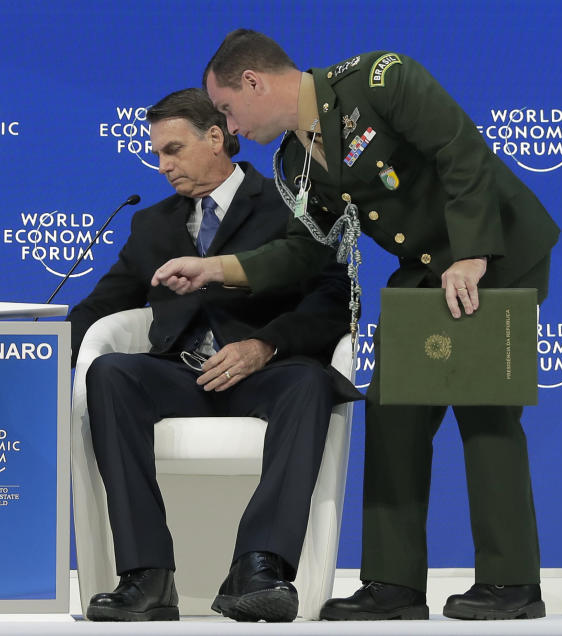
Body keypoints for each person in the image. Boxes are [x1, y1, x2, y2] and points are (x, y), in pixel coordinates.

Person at [151, 30, 560, 621]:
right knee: (392, 410)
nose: (230, 128)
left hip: (493, 249)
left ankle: (511, 584)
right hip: (423, 268)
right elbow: (303, 251)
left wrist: (472, 254)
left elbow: (461, 151)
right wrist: (215, 267)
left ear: (254, 82)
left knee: (485, 411)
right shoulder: (292, 161)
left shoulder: (382, 80)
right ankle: (393, 587)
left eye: (227, 111)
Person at [69, 87, 359, 622]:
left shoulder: (290, 203)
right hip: (180, 375)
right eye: (157, 154)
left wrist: (265, 343)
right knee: (109, 372)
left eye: (173, 150)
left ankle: (259, 566)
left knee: (310, 383)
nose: (162, 166)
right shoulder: (152, 223)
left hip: (265, 372)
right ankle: (147, 576)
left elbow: (333, 300)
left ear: (217, 137)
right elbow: (101, 307)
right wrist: (24, 355)